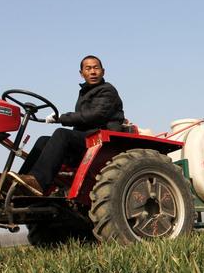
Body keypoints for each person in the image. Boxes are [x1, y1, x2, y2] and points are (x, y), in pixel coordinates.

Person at [9, 55, 124, 195]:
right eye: (88, 69)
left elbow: (95, 115)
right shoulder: (85, 92)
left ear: (103, 71)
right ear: (82, 74)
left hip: (101, 139)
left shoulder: (107, 90)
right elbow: (83, 119)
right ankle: (20, 184)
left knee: (62, 134)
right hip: (87, 138)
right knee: (43, 141)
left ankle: (38, 181)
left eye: (96, 68)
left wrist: (61, 118)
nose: (93, 72)